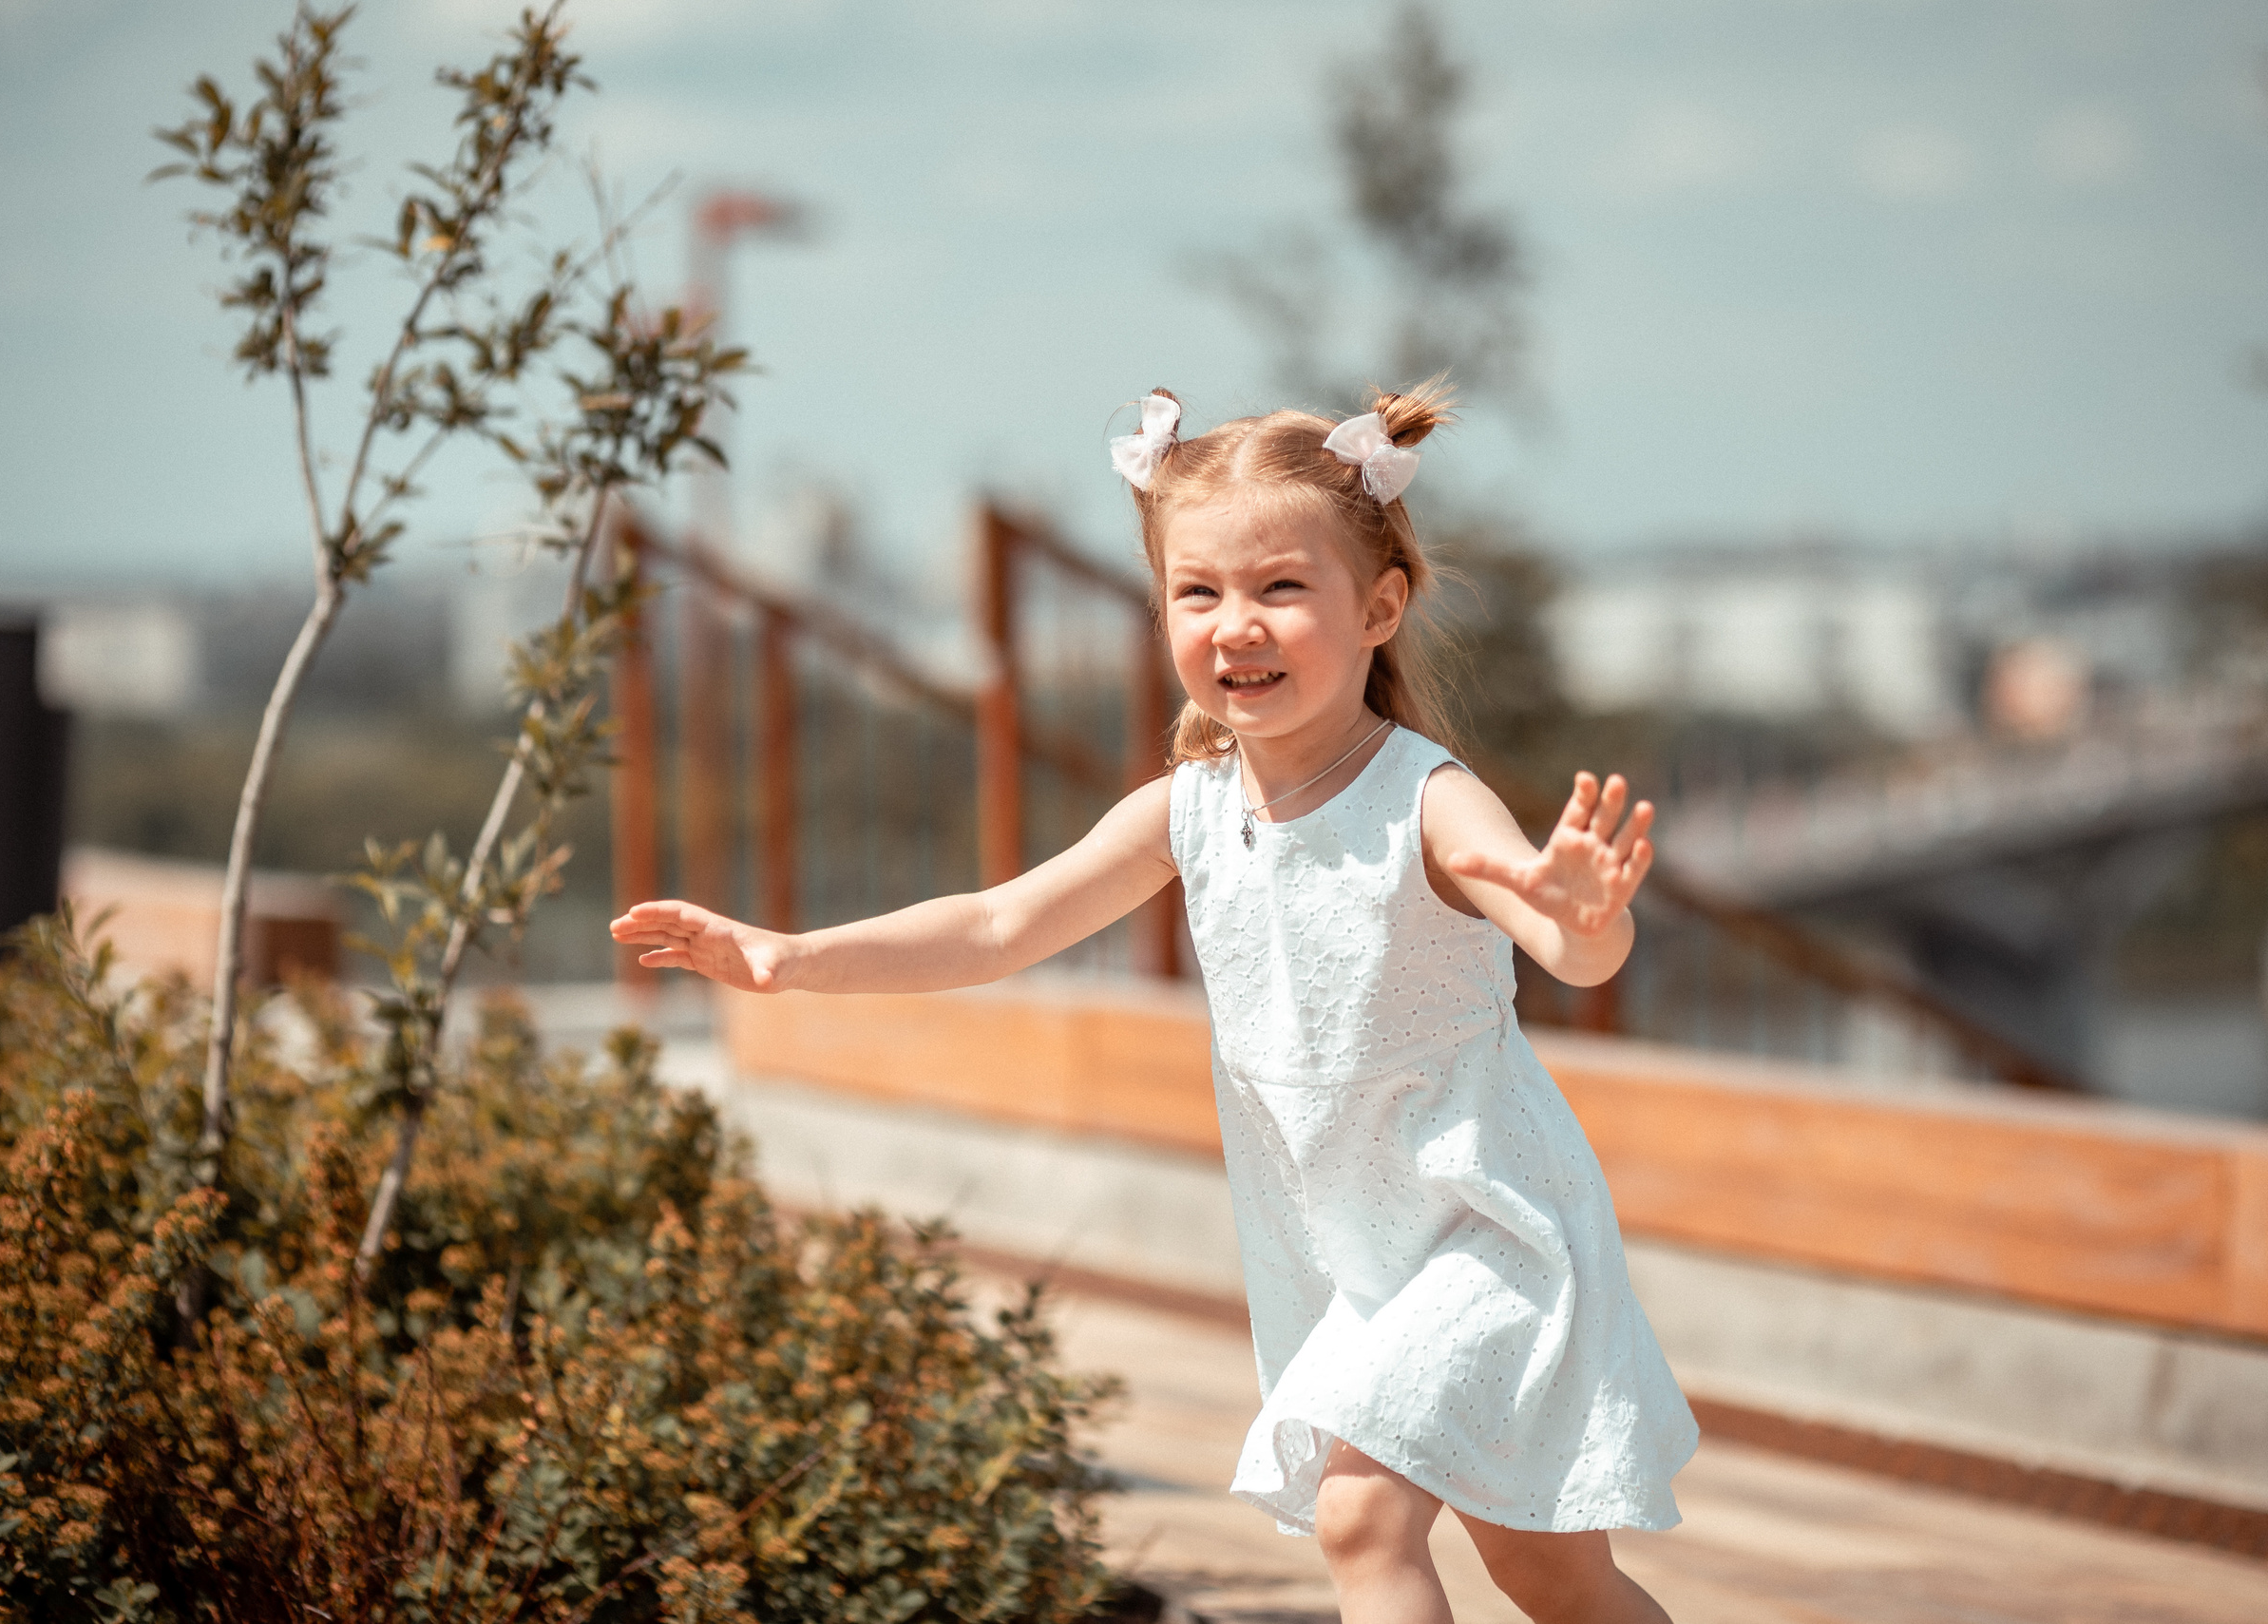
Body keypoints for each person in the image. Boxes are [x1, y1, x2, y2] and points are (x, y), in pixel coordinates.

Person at [612, 382, 1695, 1624]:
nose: (1239, 623)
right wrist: (787, 957)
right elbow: (996, 922)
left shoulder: (1423, 796)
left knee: (1365, 1514)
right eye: (1200, 591)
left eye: (1283, 587)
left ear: (1378, 606)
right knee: (1546, 1568)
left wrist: (1586, 913)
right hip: (1362, 1253)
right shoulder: (1188, 809)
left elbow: (1569, 950)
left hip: (1488, 1227)